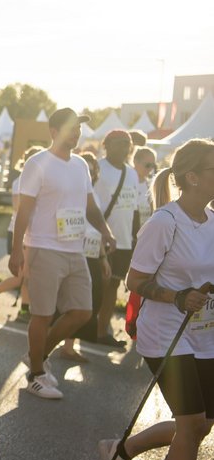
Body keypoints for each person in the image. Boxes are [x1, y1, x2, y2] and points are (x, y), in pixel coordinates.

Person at [97, 138, 214, 460]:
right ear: (192, 176)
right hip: (165, 335)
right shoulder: (165, 222)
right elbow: (136, 281)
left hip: (204, 334)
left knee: (200, 425)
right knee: (191, 421)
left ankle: (120, 450)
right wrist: (179, 297)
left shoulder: (213, 220)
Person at [9, 108, 116, 400]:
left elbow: (90, 206)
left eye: (79, 129)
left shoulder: (81, 165)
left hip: (74, 249)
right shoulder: (38, 163)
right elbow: (25, 210)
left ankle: (37, 356)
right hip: (44, 247)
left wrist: (105, 231)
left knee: (82, 311)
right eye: (71, 128)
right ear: (54, 132)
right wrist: (17, 249)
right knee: (42, 314)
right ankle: (37, 374)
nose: (76, 133)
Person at [0, 145, 43, 320]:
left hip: (32, 234)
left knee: (26, 275)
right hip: (19, 232)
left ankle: (24, 310)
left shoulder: (39, 181)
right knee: (22, 276)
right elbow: (18, 207)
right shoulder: (20, 181)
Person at [57, 153, 110, 362]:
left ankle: (69, 346)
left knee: (91, 300)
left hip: (92, 250)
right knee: (71, 301)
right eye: (86, 169)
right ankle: (47, 347)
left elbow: (95, 228)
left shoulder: (93, 195)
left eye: (93, 170)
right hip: (72, 249)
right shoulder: (69, 192)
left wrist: (103, 257)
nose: (90, 173)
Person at [92, 130, 139, 349]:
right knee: (98, 285)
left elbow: (135, 208)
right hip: (102, 239)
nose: (124, 148)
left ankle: (102, 332)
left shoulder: (132, 173)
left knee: (113, 286)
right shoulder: (99, 169)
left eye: (127, 144)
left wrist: (136, 237)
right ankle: (85, 328)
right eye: (119, 143)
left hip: (124, 241)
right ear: (107, 145)